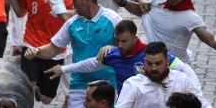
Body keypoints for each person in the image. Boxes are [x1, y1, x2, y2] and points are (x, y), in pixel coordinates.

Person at [25, 0, 121, 108]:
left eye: (75, 0)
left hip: (108, 86)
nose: (72, 4)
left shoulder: (112, 19)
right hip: (79, 86)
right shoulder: (72, 24)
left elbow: (127, 46)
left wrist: (112, 47)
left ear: (87, 0)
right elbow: (52, 49)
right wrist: (36, 51)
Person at [46, 19, 200, 94]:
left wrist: (197, 93)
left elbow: (184, 68)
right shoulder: (114, 54)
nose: (120, 45)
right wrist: (64, 68)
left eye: (124, 41)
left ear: (134, 38)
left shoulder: (151, 53)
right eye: (117, 40)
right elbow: (91, 64)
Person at [8, 0, 72, 104]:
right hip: (30, 42)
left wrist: (59, 12)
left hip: (54, 48)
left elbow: (74, 13)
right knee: (26, 88)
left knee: (46, 99)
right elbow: (20, 12)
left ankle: (39, 90)